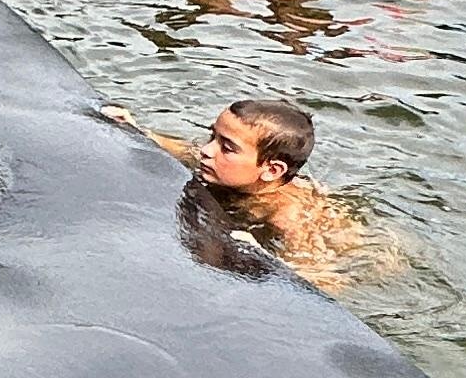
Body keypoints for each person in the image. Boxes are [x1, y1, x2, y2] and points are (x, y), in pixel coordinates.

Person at [112, 97, 395, 294]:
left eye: (227, 147)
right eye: (212, 136)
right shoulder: (220, 164)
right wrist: (138, 129)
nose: (208, 150)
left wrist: (260, 256)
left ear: (272, 170)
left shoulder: (288, 215)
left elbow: (326, 280)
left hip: (368, 257)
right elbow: (185, 149)